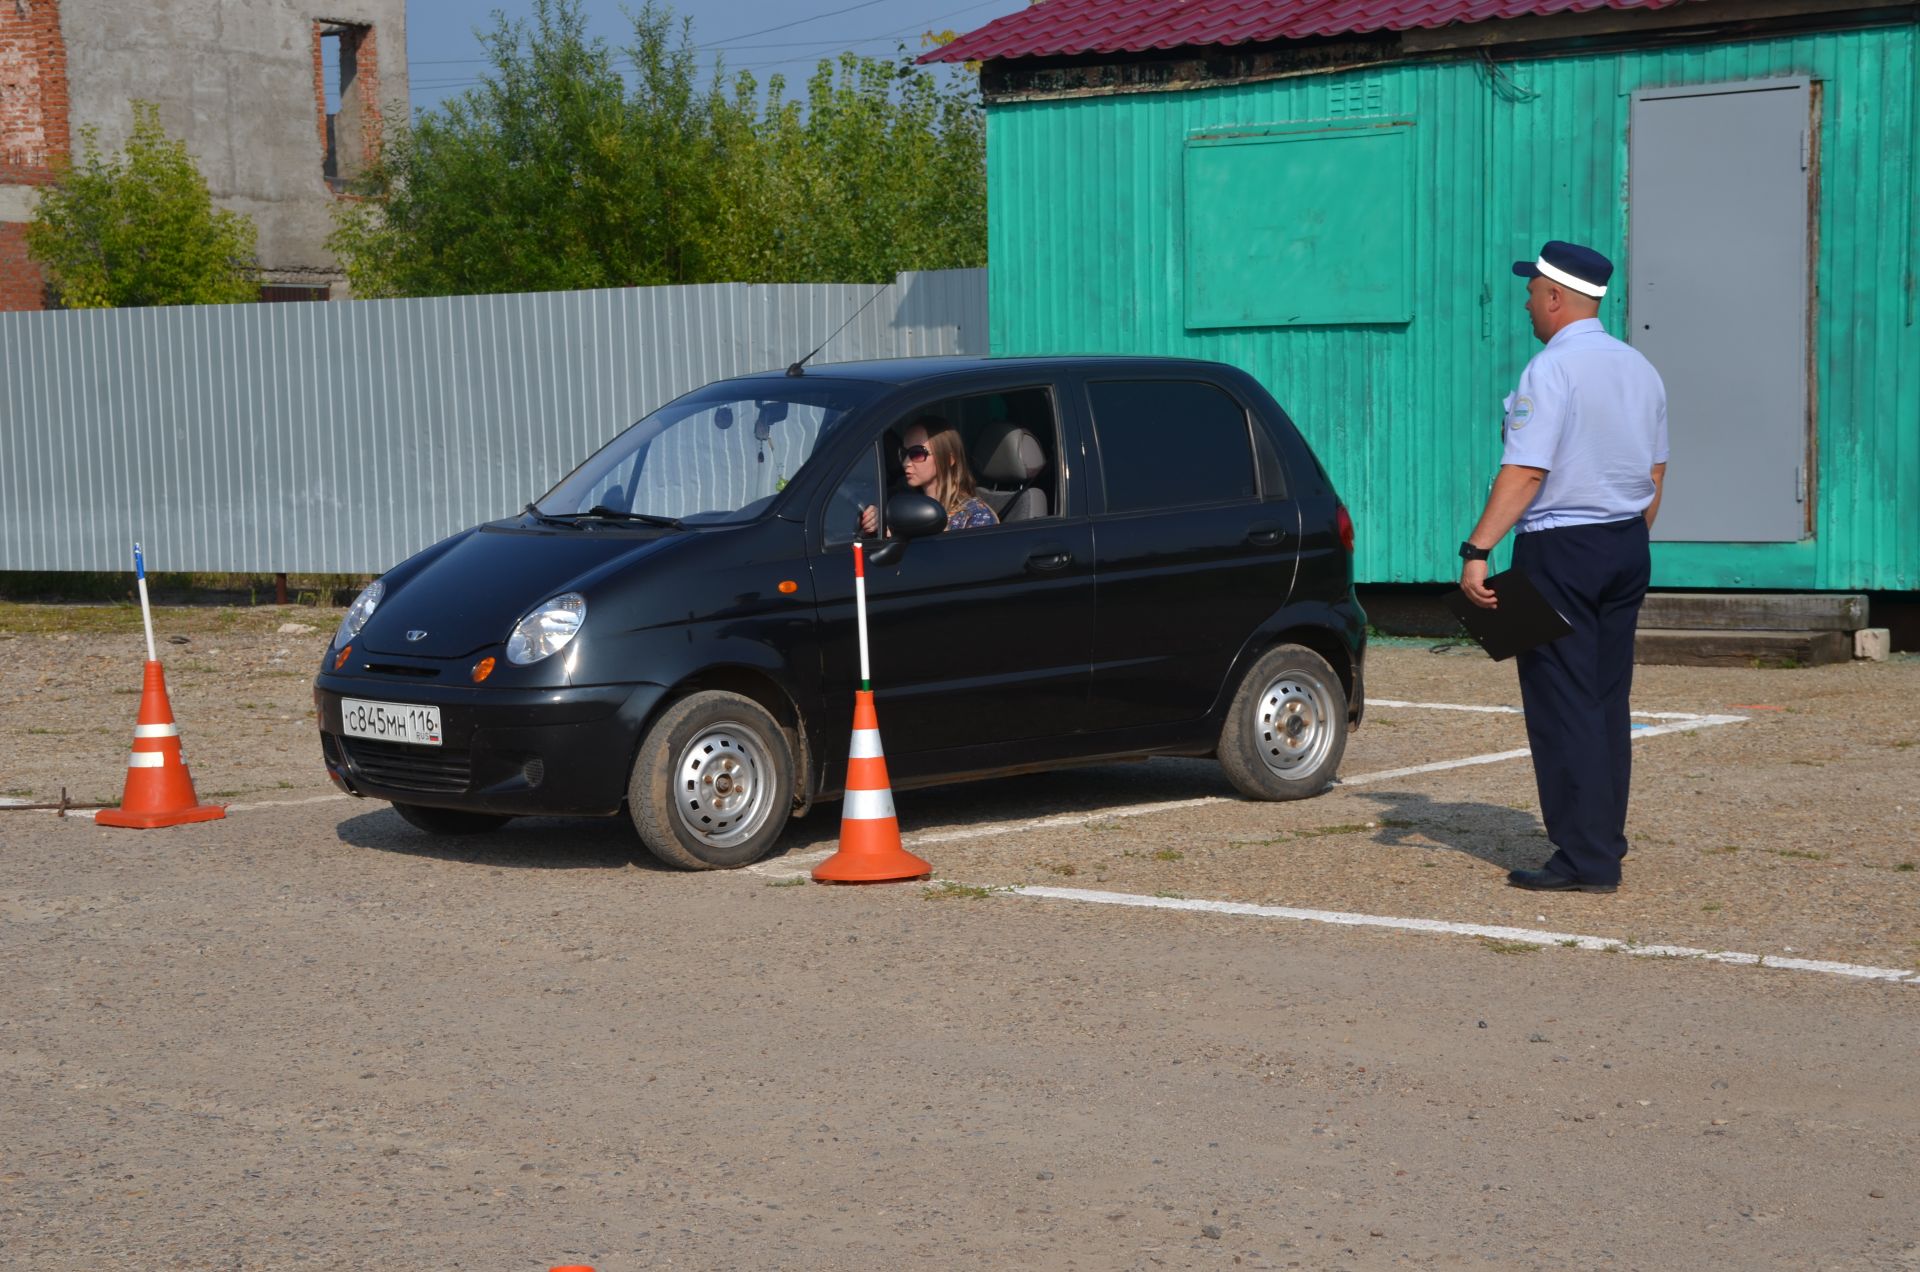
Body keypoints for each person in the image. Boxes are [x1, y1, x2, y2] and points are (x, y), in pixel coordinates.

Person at [1459, 239, 1669, 894]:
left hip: (1563, 548)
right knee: (1606, 699)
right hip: (1625, 541)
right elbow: (1655, 471)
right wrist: (1628, 539)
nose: (1526, 303)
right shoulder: (1640, 369)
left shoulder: (1548, 371)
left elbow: (1526, 470)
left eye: (1531, 292)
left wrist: (1477, 551)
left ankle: (1584, 860)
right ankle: (1604, 835)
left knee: (1562, 701)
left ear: (1555, 297)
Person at [860, 415, 999, 536]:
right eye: (904, 453)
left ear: (949, 459)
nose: (906, 463)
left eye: (917, 453)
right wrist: (879, 519)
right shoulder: (899, 501)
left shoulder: (975, 516)